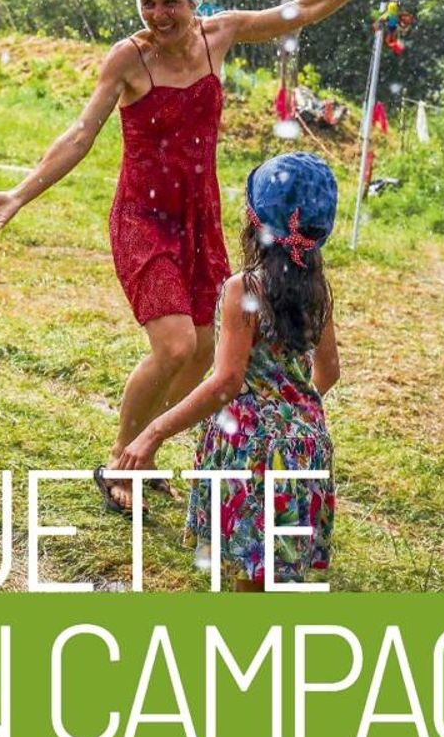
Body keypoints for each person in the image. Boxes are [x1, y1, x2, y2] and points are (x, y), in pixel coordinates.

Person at [0, 0, 412, 512]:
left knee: (205, 350)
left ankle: (141, 460)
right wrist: (20, 194)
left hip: (199, 218)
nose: (158, 15)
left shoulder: (220, 34)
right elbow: (79, 132)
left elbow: (301, 9)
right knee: (176, 346)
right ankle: (124, 461)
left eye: (170, 1)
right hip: (142, 219)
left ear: (193, 0)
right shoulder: (128, 59)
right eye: (148, 3)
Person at [111, 153, 340, 590]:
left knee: (250, 582)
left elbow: (225, 381)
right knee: (279, 578)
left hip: (252, 454)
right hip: (307, 449)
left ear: (255, 221)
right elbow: (328, 371)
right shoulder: (316, 288)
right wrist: (291, 417)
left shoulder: (244, 288)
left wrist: (152, 433)